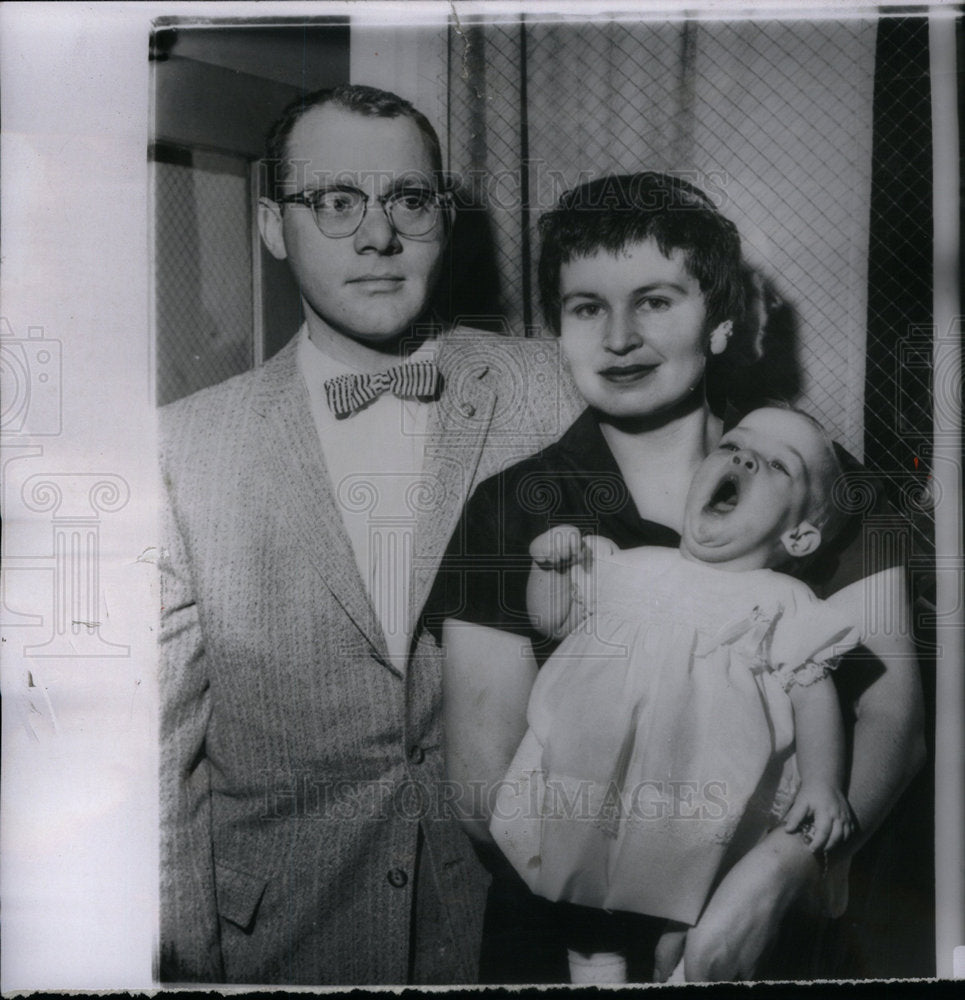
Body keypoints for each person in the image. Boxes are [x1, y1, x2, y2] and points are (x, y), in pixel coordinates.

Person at [429, 173, 924, 982]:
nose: (618, 336)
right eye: (586, 308)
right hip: (570, 927)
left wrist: (775, 874)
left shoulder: (831, 490)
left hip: (774, 933)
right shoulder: (515, 508)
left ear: (721, 322)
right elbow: (484, 790)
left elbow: (892, 723)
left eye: (655, 301)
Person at [158, 84, 578, 985]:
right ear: (273, 227)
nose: (376, 237)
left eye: (408, 201)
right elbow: (162, 766)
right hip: (283, 946)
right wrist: (185, 966)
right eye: (336, 202)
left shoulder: (557, 390)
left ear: (443, 217)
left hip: (525, 931)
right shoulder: (177, 449)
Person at [492, 406, 860, 984]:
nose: (742, 459)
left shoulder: (780, 600)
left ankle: (682, 963)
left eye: (775, 466)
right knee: (585, 887)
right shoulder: (627, 565)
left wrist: (822, 780)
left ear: (800, 534)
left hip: (704, 785)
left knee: (694, 899)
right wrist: (550, 565)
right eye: (734, 446)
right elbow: (551, 621)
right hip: (599, 773)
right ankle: (597, 967)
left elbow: (813, 690)